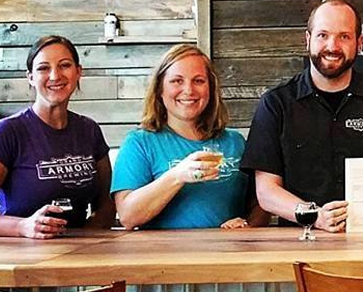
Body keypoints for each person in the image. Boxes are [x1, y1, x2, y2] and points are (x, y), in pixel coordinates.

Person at [240, 0, 363, 232]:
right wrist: (314, 216)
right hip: (299, 240)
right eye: (323, 35)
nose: (332, 46)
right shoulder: (276, 104)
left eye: (344, 36)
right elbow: (266, 191)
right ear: (308, 39)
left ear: (359, 42)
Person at [111, 44, 264, 229]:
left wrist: (247, 226)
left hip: (227, 247)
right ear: (160, 89)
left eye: (198, 81)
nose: (189, 90)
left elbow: (260, 204)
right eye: (177, 81)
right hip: (163, 248)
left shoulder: (235, 142)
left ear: (211, 89)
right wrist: (178, 175)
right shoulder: (140, 143)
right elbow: (128, 216)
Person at [0, 35, 114, 238]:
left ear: (78, 72)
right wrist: (23, 227)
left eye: (65, 65)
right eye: (43, 68)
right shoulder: (6, 132)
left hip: (78, 252)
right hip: (22, 252)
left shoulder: (89, 130)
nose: (55, 75)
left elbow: (106, 205)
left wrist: (84, 241)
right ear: (31, 77)